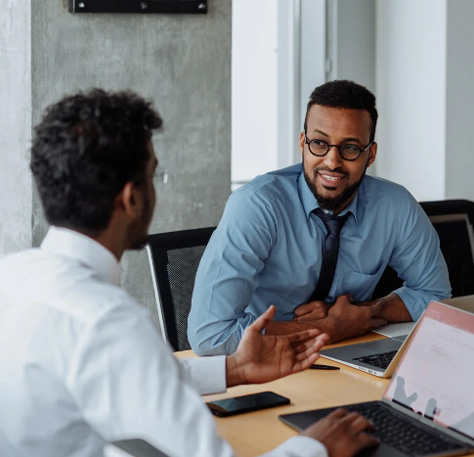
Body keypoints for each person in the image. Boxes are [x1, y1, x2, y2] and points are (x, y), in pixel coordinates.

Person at [0, 89, 379, 457]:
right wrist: (316, 447)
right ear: (132, 199)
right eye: (152, 176)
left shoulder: (11, 278)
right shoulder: (108, 321)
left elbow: (133, 379)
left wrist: (235, 369)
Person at [188, 79, 451, 356]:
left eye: (350, 148)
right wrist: (329, 329)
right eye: (319, 143)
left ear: (370, 154)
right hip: (264, 360)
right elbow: (211, 334)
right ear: (302, 143)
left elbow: (435, 295)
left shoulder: (395, 206)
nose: (332, 162)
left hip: (349, 357)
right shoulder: (257, 205)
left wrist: (361, 313)